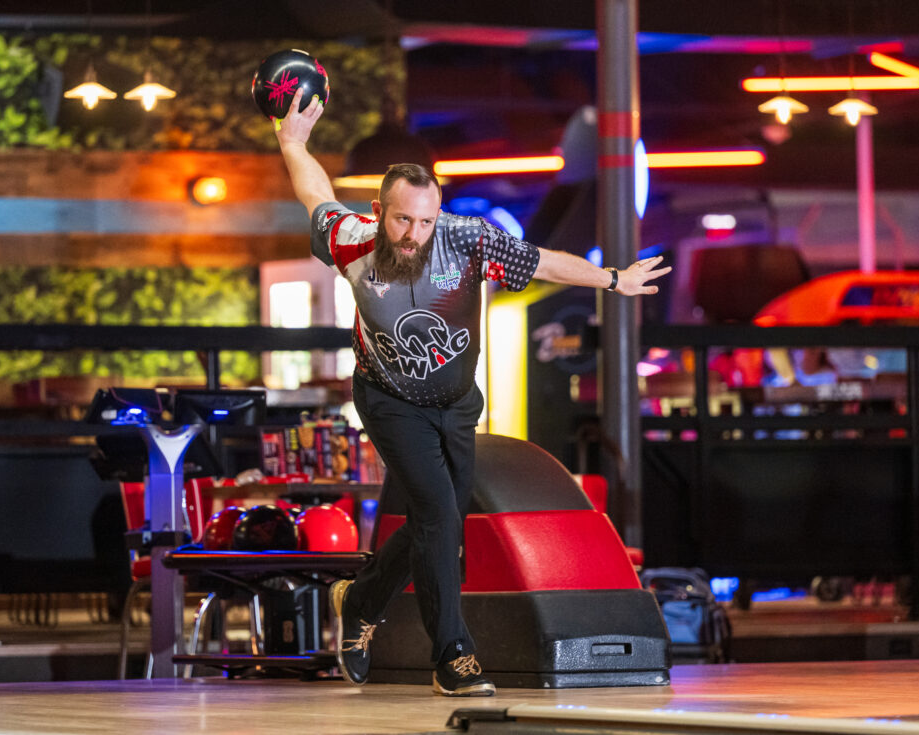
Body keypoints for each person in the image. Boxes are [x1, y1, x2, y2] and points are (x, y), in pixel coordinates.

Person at [274, 87, 670, 697]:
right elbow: (314, 192)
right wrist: (291, 141)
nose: (414, 233)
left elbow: (541, 261)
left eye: (425, 220)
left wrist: (612, 279)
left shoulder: (466, 240)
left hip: (457, 401)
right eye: (403, 219)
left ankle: (361, 598)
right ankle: (453, 657)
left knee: (446, 518)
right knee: (436, 513)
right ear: (380, 212)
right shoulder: (349, 238)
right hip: (388, 399)